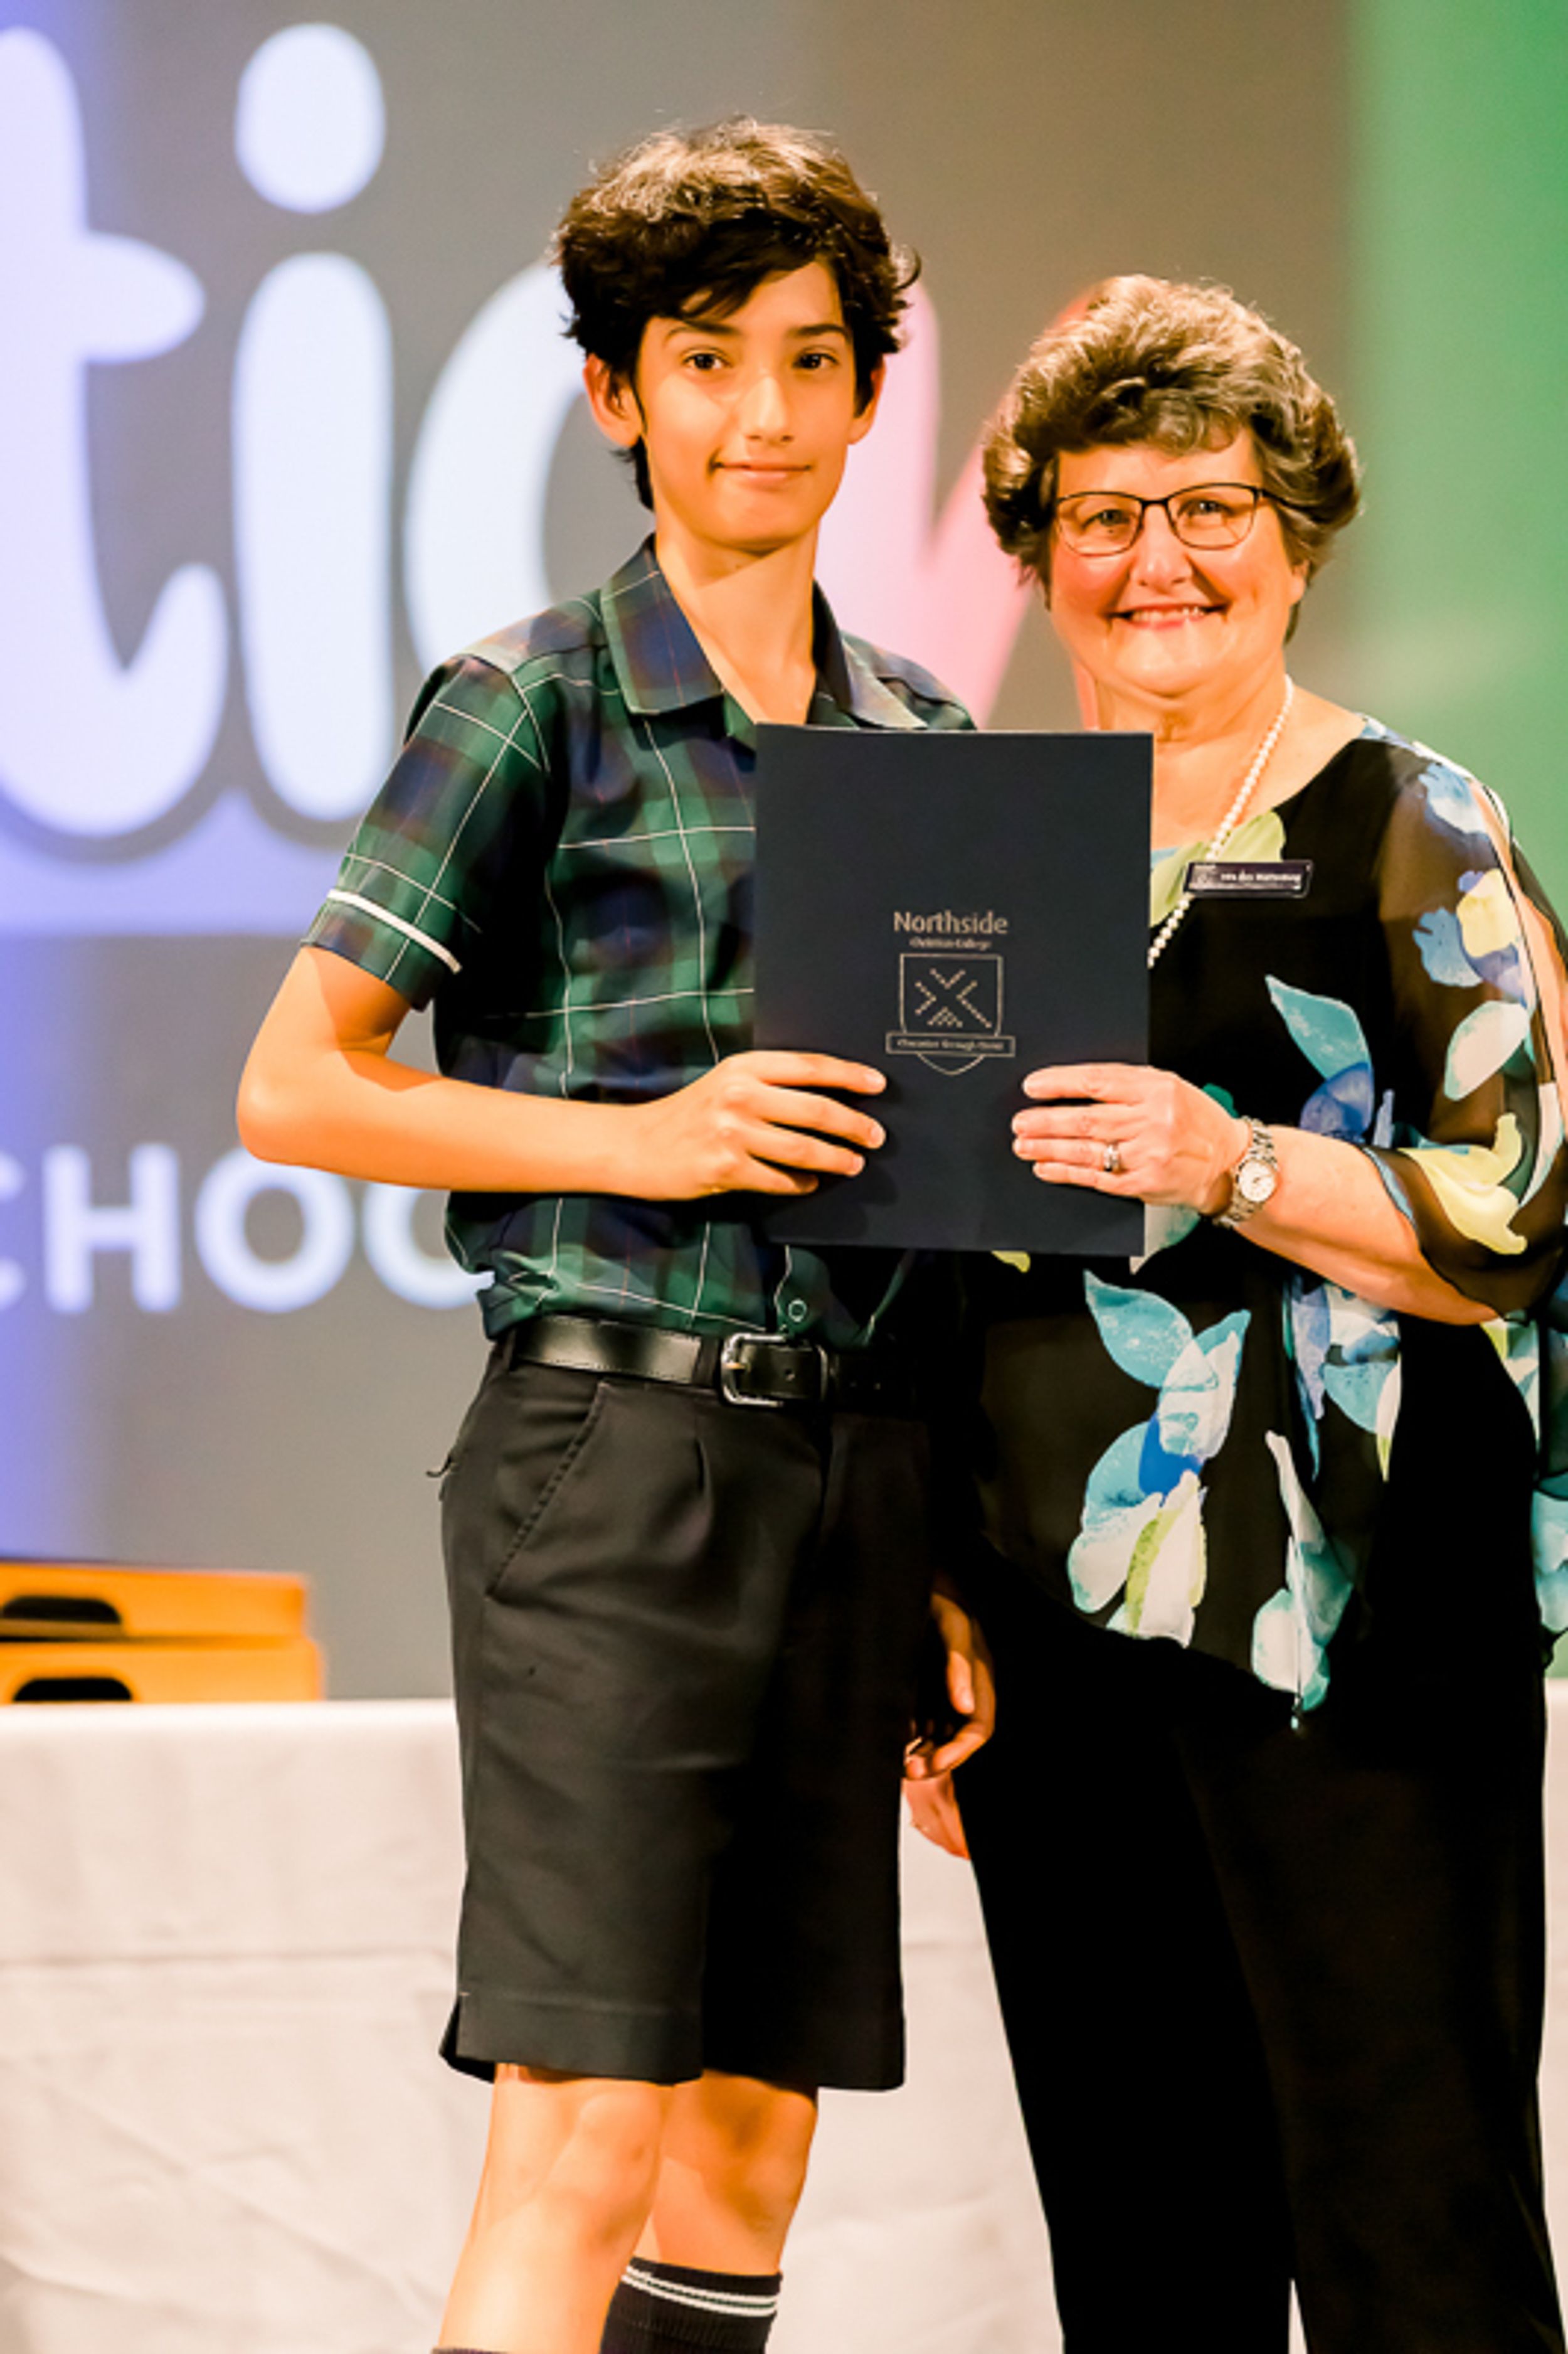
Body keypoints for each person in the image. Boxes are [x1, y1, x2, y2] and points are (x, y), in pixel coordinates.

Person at [238, 120, 992, 2354]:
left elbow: (954, 1187)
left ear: (870, 395)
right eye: (705, 359)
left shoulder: (927, 738)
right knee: (580, 2125)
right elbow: (296, 1084)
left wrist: (949, 1546)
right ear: (614, 394)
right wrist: (647, 1144)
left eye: (811, 360)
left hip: (858, 1472)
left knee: (753, 2136)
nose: (763, 412)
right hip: (612, 1453)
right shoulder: (531, 702)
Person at [904, 274, 1568, 2353]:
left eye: (1207, 508)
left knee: (1411, 2229)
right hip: (1052, 1631)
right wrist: (926, 1585)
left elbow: (1520, 1214)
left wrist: (1233, 1162)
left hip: (1363, 1615)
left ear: (1294, 538)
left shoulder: (1410, 823)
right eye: (1101, 516)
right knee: (1141, 2247)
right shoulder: (971, 845)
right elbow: (920, 1247)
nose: (1156, 559)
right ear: (1036, 557)